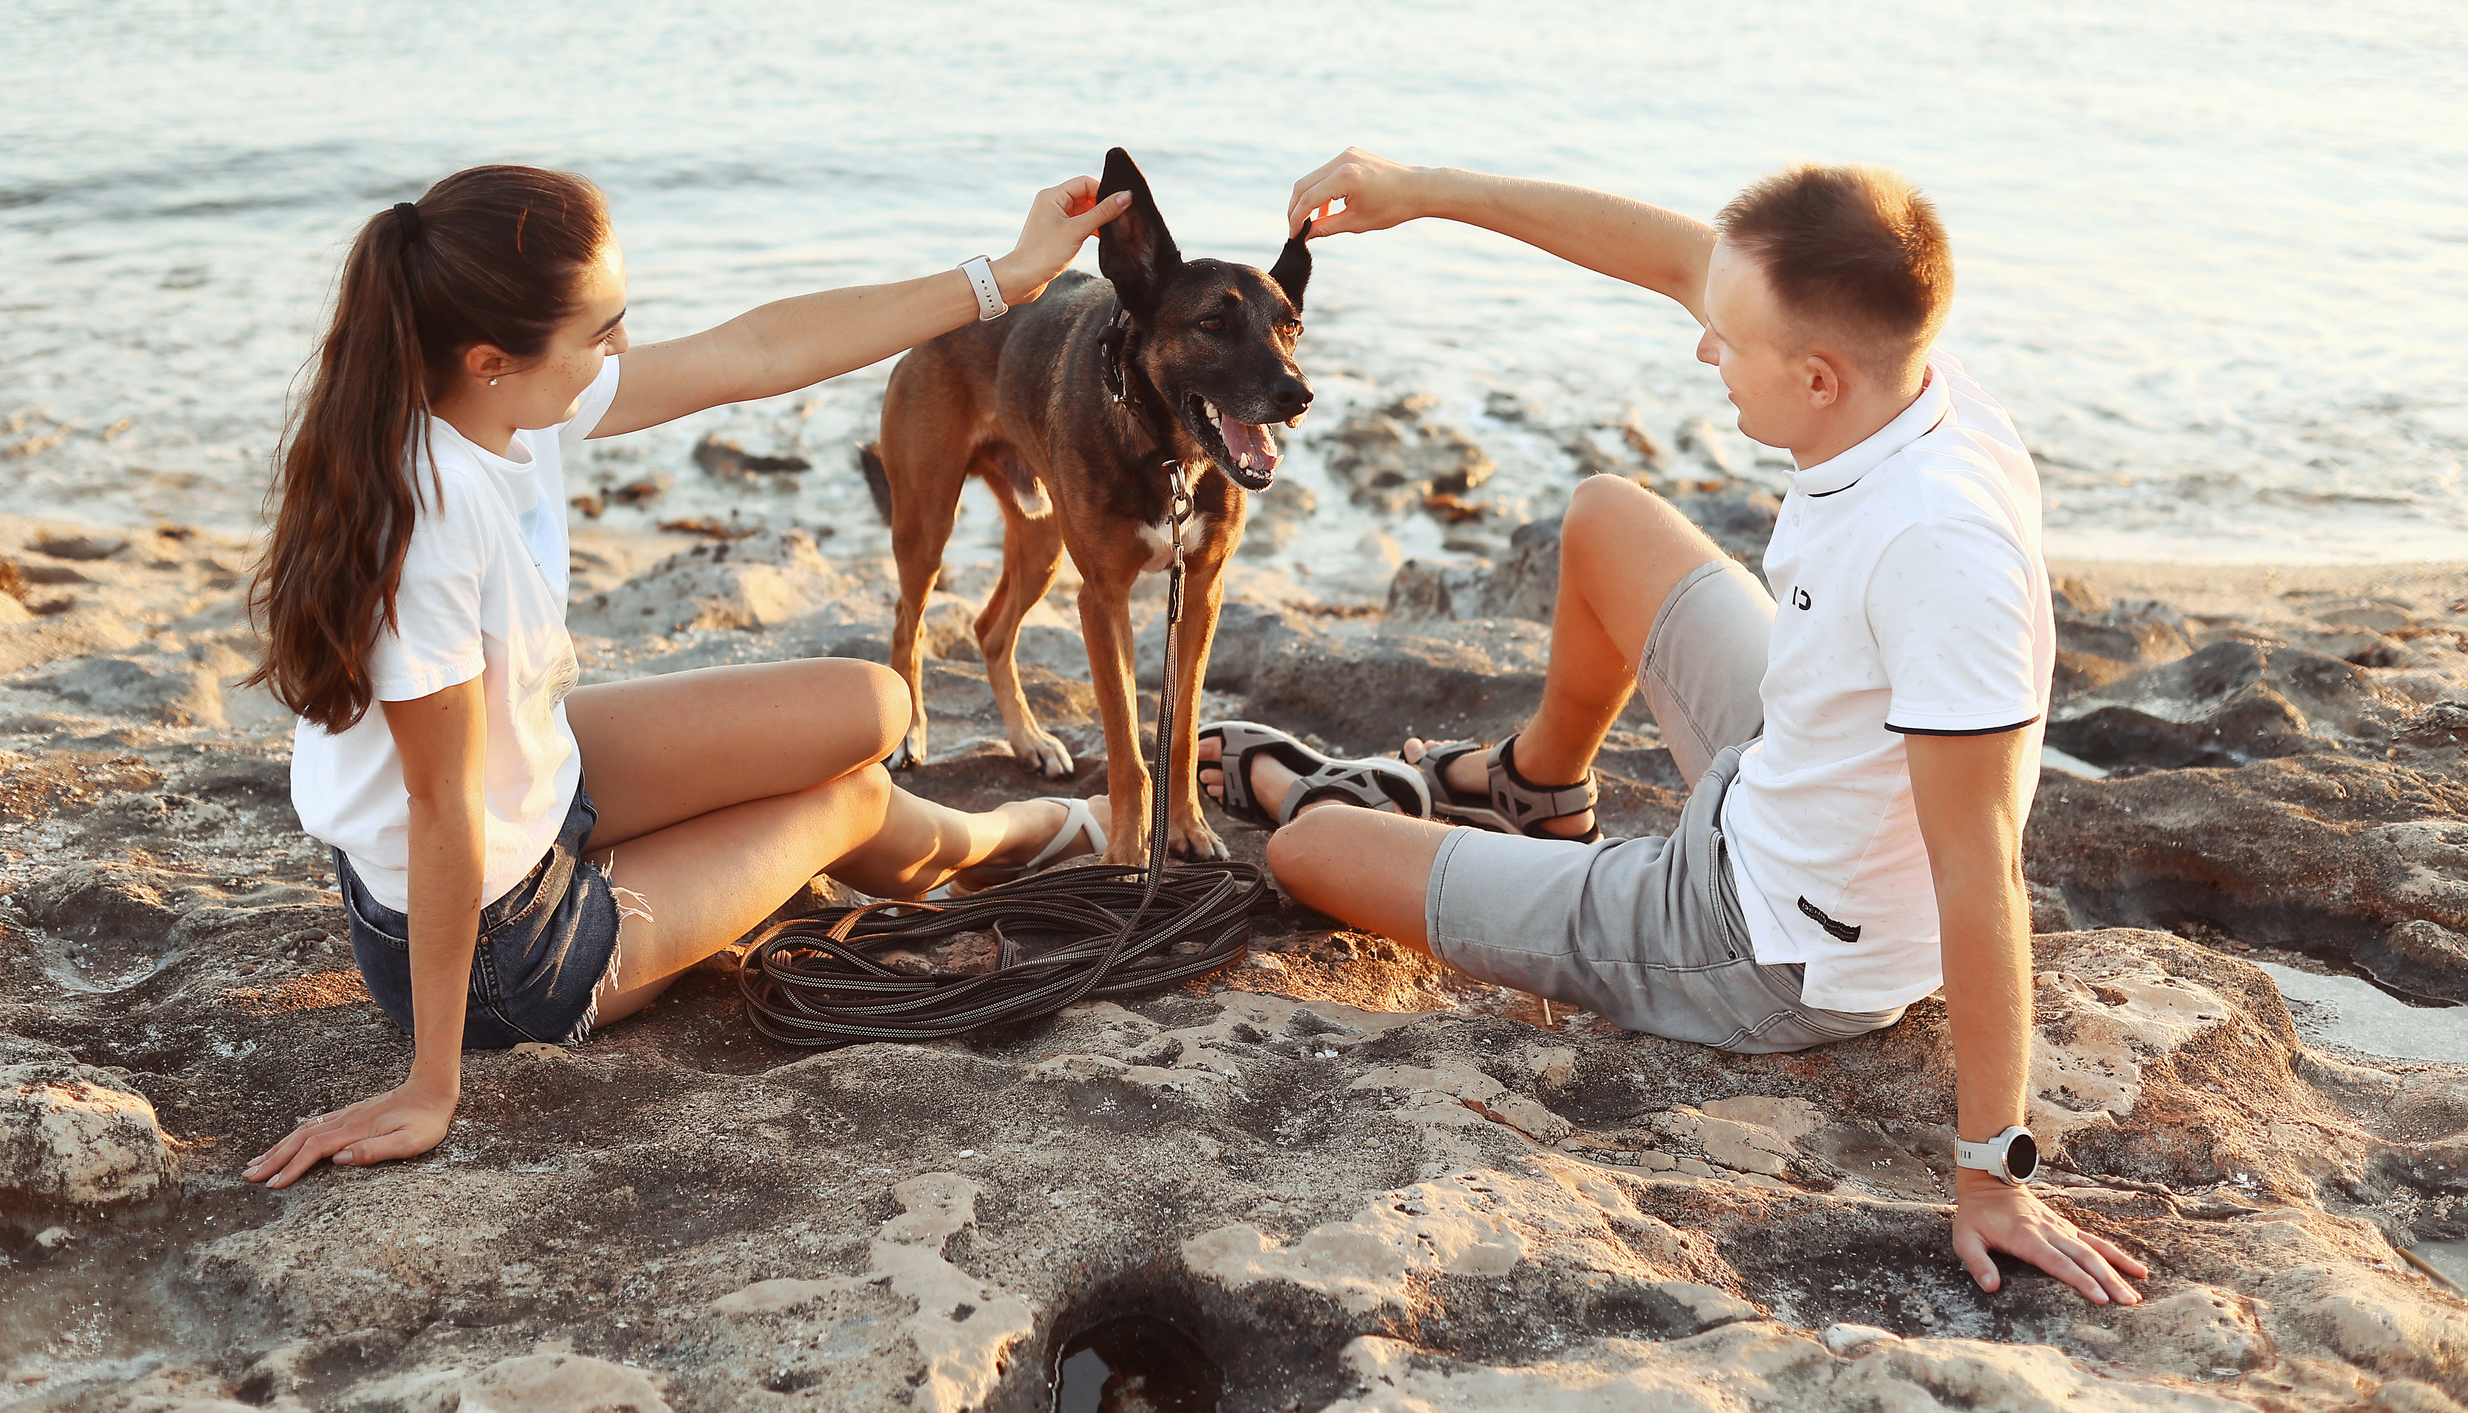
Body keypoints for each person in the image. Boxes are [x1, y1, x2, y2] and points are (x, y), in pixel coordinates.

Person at [1199, 148, 2151, 1308]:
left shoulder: (1936, 550)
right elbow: (1661, 254)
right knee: (1606, 515)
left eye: (1728, 340)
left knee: (1309, 848)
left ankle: (1377, 807)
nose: (1703, 344)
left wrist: (1992, 1175)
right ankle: (1536, 787)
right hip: (1784, 770)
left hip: (1755, 940)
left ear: (1812, 379)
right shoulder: (1899, 376)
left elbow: (1981, 868)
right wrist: (1422, 191)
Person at [240, 164, 1130, 1188]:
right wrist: (429, 1088)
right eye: (601, 331)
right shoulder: (429, 521)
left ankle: (991, 836)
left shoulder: (494, 404)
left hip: (536, 779)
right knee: (848, 796)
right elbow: (443, 808)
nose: (620, 348)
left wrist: (1007, 278)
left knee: (870, 705)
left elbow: (756, 351)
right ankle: (1009, 835)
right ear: (491, 357)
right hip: (503, 942)